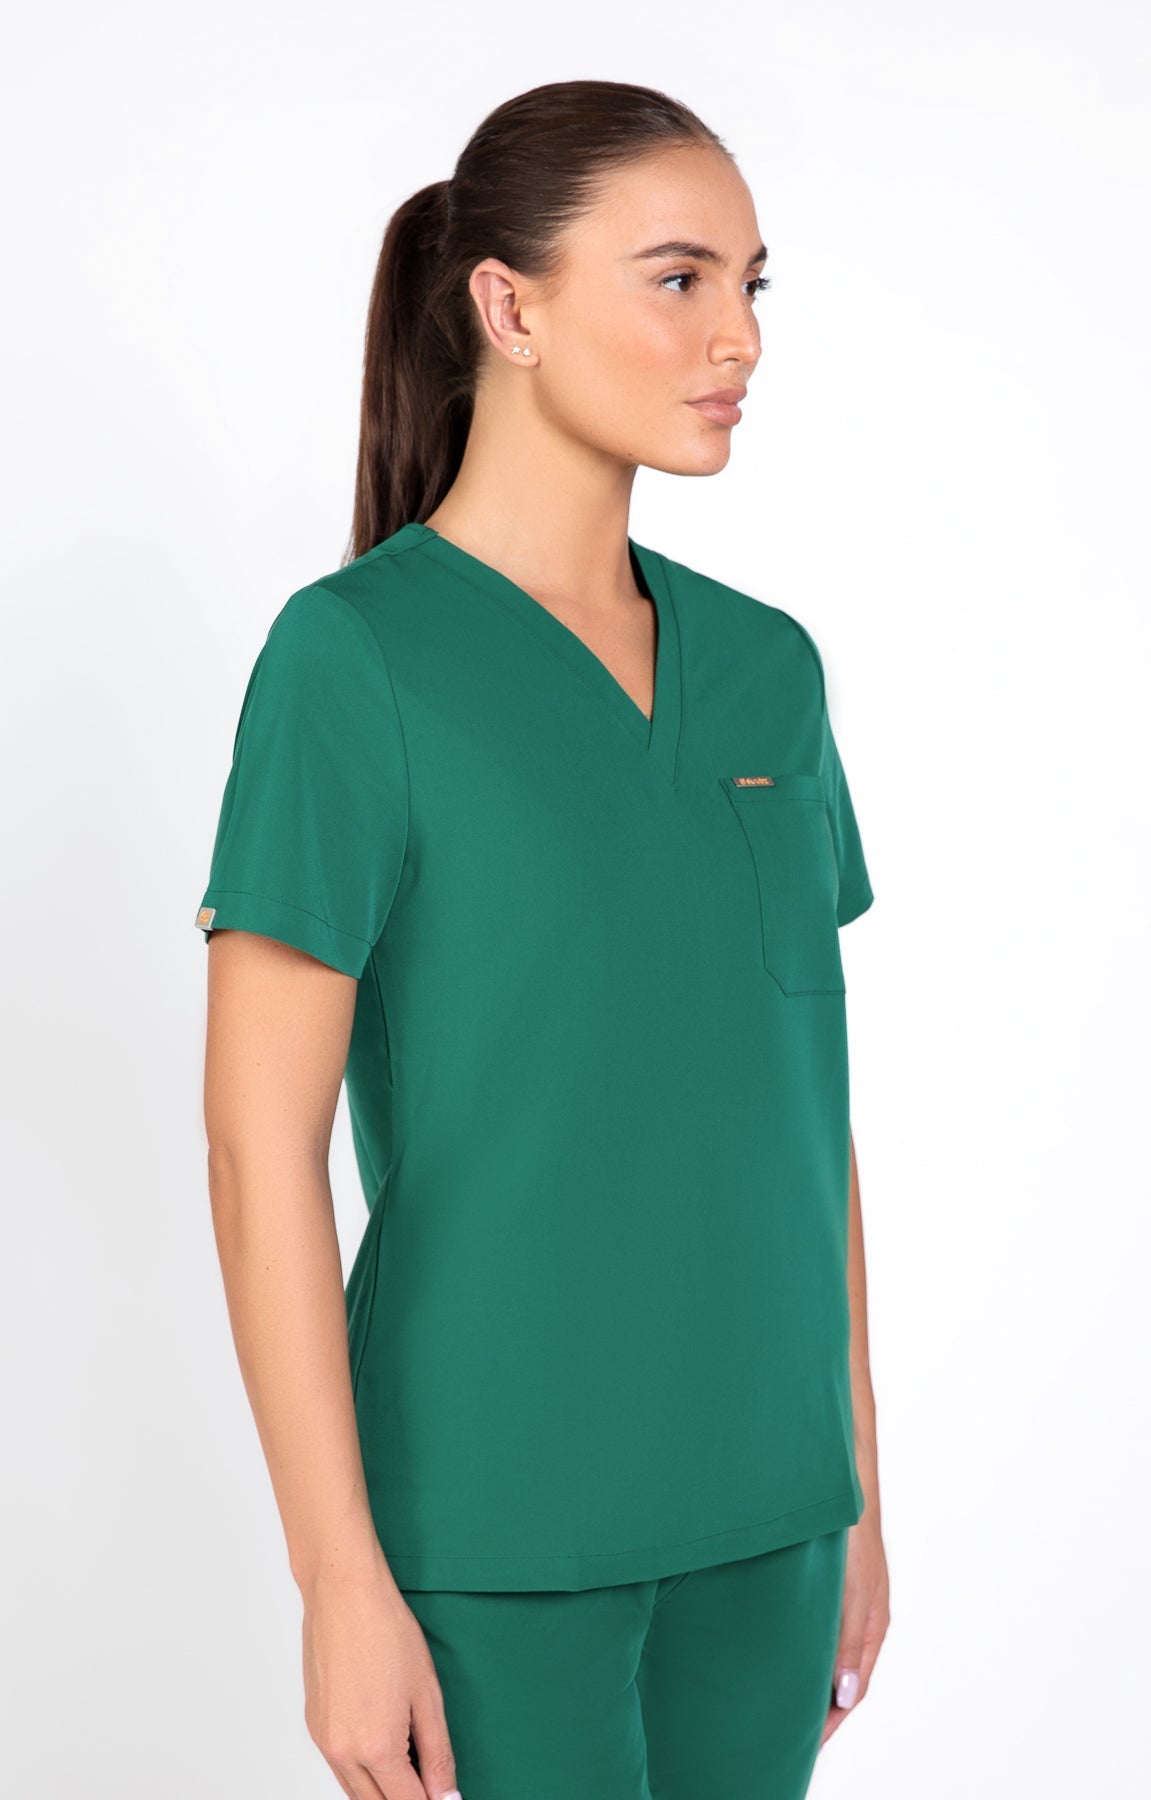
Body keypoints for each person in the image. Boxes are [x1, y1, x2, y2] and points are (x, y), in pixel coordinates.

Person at [195, 76, 890, 1800]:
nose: (738, 336)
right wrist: (338, 1582)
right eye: (680, 279)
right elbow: (259, 1149)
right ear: (508, 308)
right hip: (496, 1528)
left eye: (752, 284)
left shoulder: (770, 670)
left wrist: (858, 1492)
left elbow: (802, 1112)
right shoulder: (354, 663)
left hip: (771, 1518)